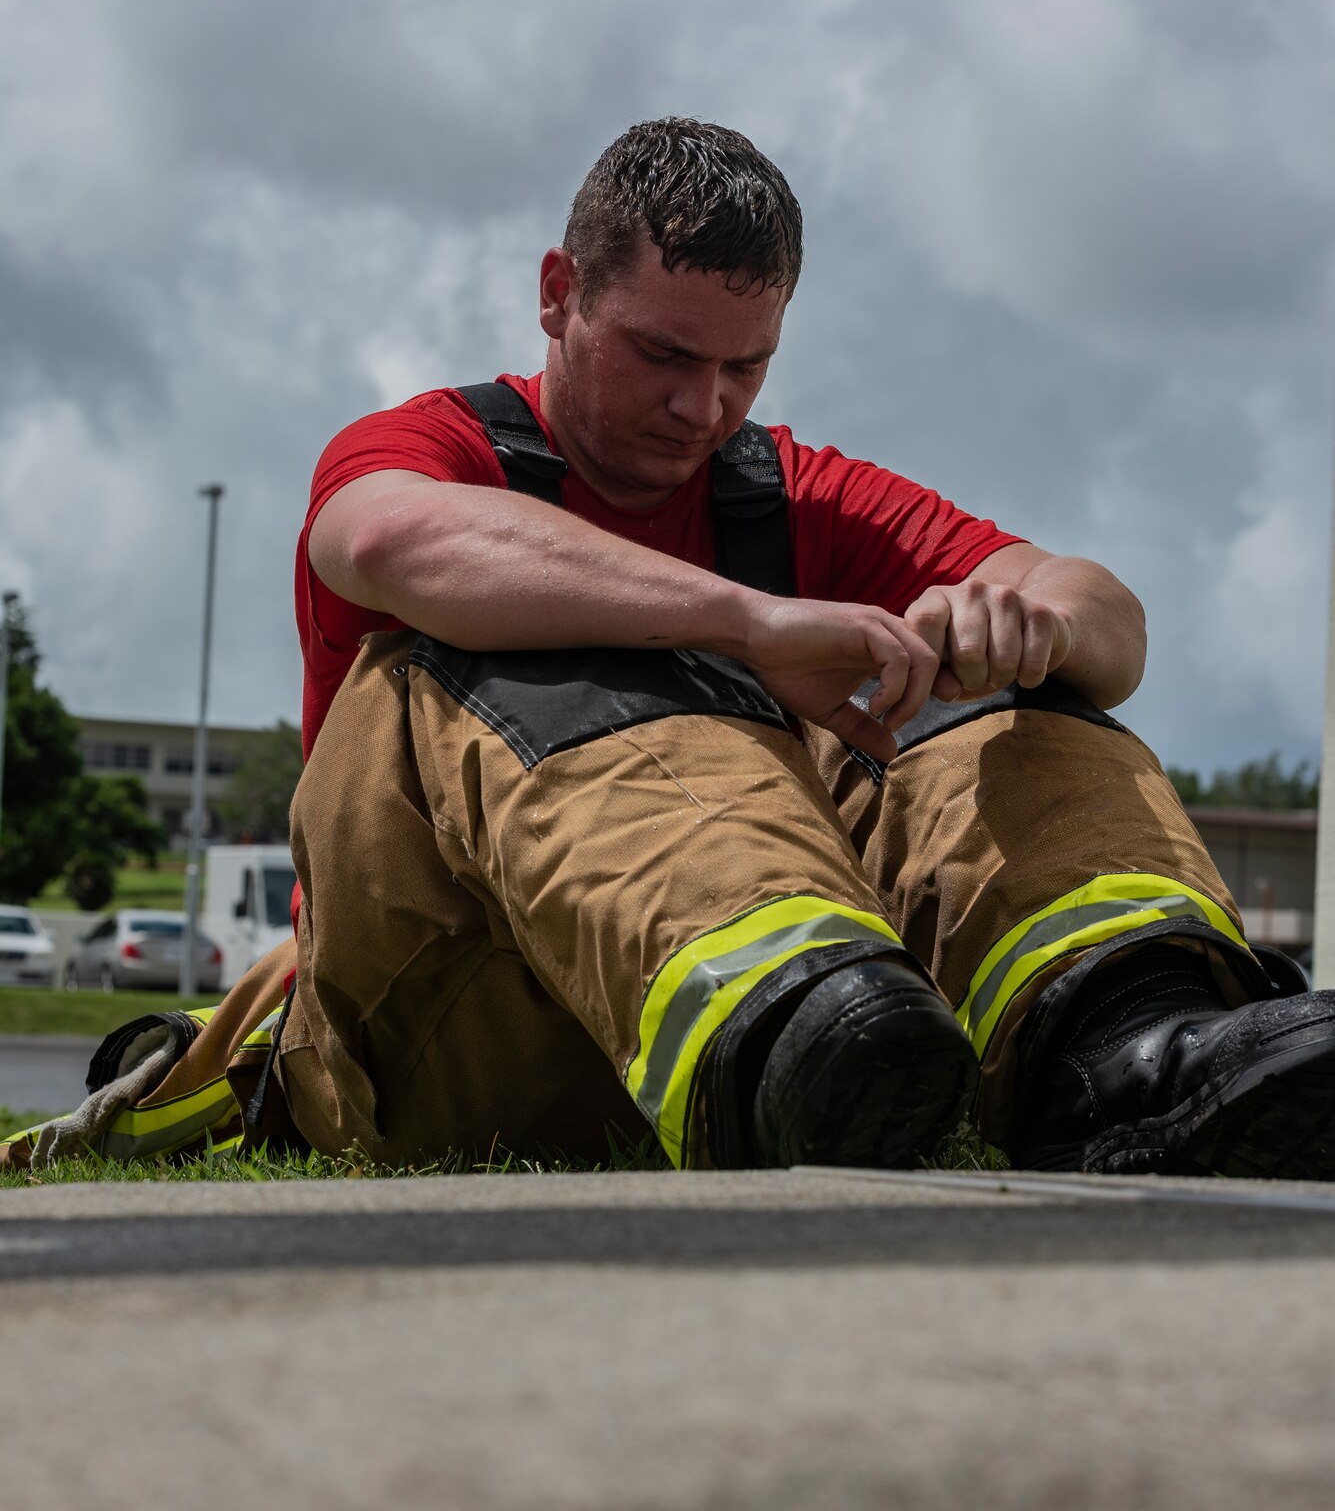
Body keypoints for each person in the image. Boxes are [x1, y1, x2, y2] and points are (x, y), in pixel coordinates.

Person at [272, 116, 1335, 1180]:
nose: (704, 406)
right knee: (528, 648)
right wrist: (746, 622)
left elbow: (1104, 607)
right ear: (559, 292)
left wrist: (1031, 626)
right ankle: (794, 1044)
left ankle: (1132, 1050)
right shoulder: (432, 451)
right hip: (444, 1042)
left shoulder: (786, 492)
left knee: (986, 688)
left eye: (748, 364)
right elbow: (381, 537)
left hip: (709, 1054)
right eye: (664, 354)